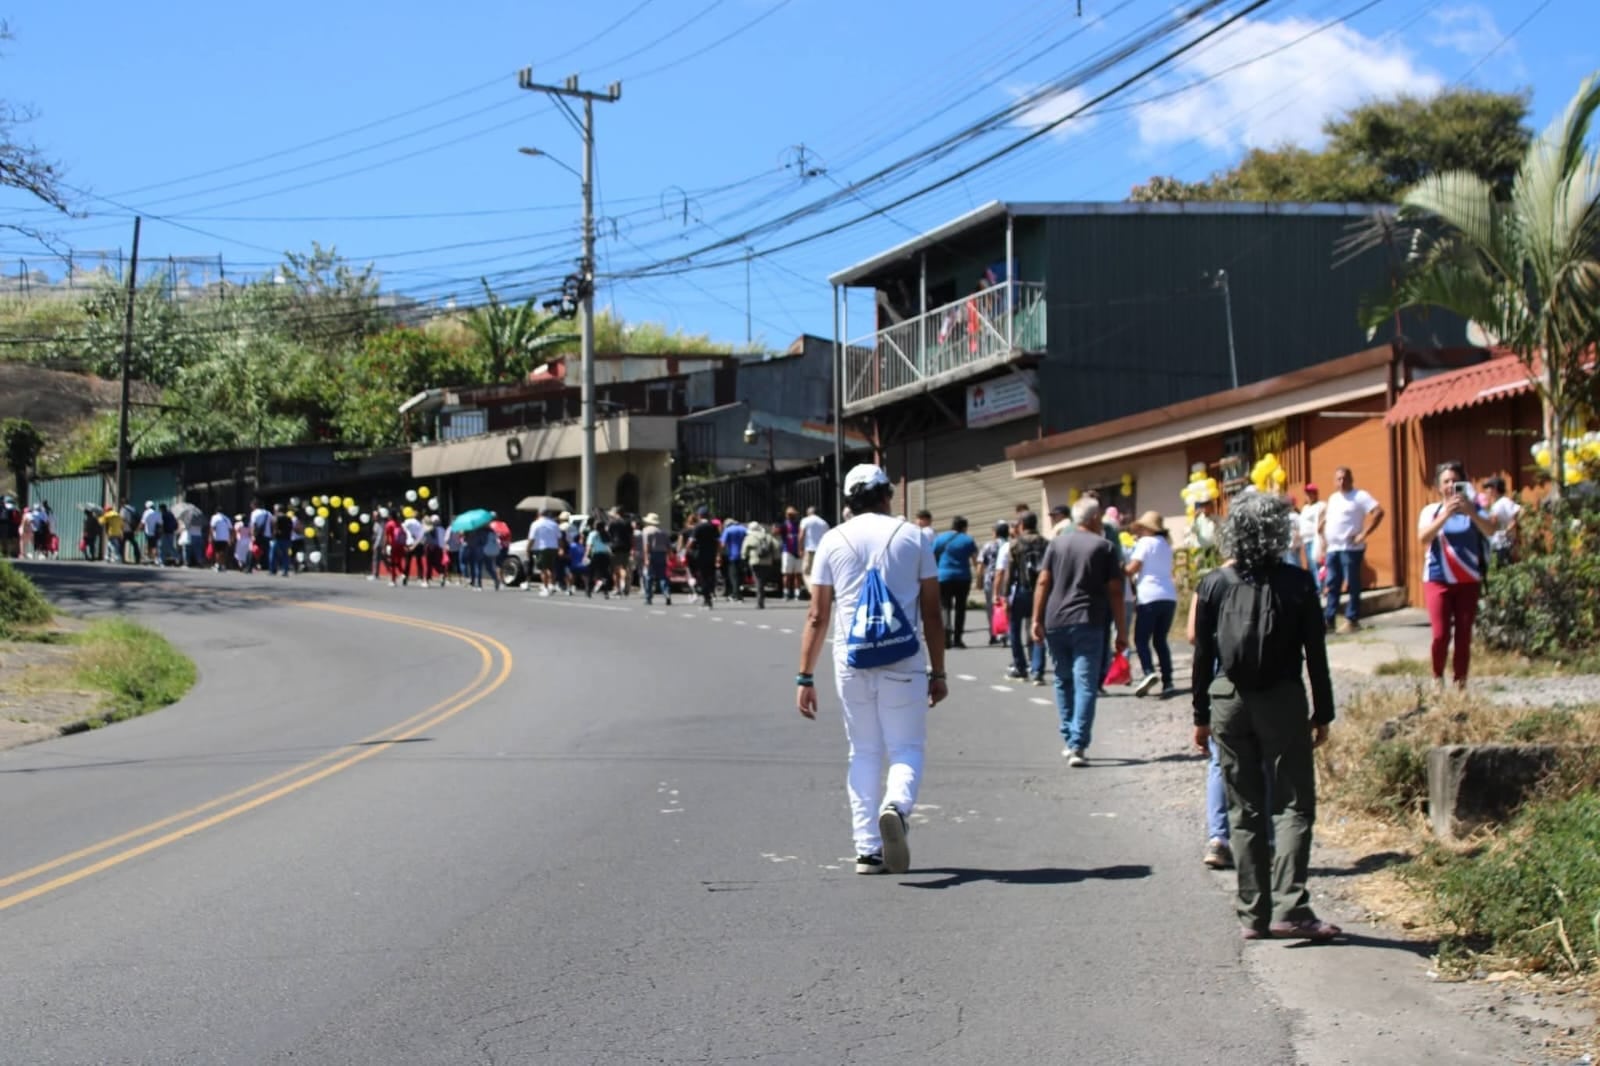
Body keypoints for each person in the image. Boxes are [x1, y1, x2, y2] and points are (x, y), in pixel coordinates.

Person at [1191, 492, 1340, 941]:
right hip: (1283, 700)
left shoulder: (1214, 583)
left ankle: (1252, 914)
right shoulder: (1296, 583)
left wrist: (1200, 715)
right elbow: (1316, 652)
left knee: (1244, 807)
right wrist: (1323, 712)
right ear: (1278, 530)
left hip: (1228, 701)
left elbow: (1202, 657)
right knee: (1292, 803)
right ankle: (1291, 907)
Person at [796, 463, 946, 875]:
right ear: (886, 495)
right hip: (904, 659)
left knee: (862, 751)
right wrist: (940, 672)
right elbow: (932, 614)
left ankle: (867, 849)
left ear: (848, 502)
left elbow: (816, 615)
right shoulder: (914, 537)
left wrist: (804, 676)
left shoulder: (832, 540)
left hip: (852, 661)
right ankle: (895, 806)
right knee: (906, 749)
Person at [1033, 497, 1127, 767]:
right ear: (1096, 518)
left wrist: (1036, 619)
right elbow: (1115, 591)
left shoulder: (1057, 543)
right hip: (1088, 620)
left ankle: (1069, 738)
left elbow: (1043, 581)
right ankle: (1077, 744)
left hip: (1055, 620)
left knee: (1063, 680)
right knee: (1085, 683)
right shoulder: (1105, 547)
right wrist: (1122, 630)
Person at [1419, 461, 1496, 688]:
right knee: (1441, 635)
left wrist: (1471, 511)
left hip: (1467, 580)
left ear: (1463, 483)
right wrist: (1445, 515)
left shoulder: (1475, 509)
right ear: (1438, 486)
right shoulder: (1430, 511)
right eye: (1446, 481)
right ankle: (1436, 677)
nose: (1451, 485)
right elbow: (1423, 538)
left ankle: (1460, 682)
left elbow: (1490, 530)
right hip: (1438, 578)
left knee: (1464, 636)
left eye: (1455, 480)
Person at [1317, 466, 1384, 634]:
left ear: (1351, 479)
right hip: (1333, 548)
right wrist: (1322, 527)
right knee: (1332, 584)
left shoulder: (1360, 496)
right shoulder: (1333, 498)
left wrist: (1363, 534)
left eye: (1344, 478)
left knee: (1352, 583)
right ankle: (1329, 619)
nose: (1341, 482)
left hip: (1350, 548)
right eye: (1338, 479)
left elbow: (1378, 512)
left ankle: (1352, 619)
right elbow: (1331, 516)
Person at [1126, 510, 1178, 699]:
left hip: (1149, 596)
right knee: (1160, 640)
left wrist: (1119, 571)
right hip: (1169, 596)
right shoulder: (1166, 544)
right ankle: (1168, 681)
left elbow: (1133, 568)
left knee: (1141, 639)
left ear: (1147, 528)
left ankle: (1149, 672)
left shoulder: (1144, 543)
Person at [995, 511, 1048, 685]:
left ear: (1022, 525)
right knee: (1038, 628)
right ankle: (1038, 670)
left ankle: (1020, 667)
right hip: (1041, 591)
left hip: (1022, 591)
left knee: (1014, 629)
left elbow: (1010, 573)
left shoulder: (1015, 545)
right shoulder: (1046, 543)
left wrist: (1004, 596)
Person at [932, 516, 978, 649]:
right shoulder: (968, 540)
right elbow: (975, 559)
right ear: (964, 527)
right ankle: (958, 639)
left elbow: (932, 555)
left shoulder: (940, 538)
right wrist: (979, 576)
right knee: (960, 608)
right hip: (963, 577)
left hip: (943, 576)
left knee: (945, 606)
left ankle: (946, 636)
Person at [977, 520, 1009, 646]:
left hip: (990, 579)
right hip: (1007, 579)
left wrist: (979, 580)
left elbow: (980, 564)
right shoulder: (1010, 545)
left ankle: (994, 633)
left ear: (995, 532)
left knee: (991, 608)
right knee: (1005, 606)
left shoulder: (988, 545)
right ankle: (1005, 633)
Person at [1481, 476, 1520, 568]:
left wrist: (1507, 531)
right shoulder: (1500, 503)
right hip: (1500, 544)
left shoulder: (1501, 503)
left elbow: (1518, 512)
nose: (1486, 491)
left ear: (1494, 489)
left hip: (1503, 544)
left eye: (1488, 488)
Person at [687, 507, 720, 608]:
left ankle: (707, 598)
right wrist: (718, 555)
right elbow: (718, 542)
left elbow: (691, 541)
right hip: (711, 554)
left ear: (699, 515)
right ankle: (710, 594)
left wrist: (687, 550)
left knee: (703, 577)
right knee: (710, 576)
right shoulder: (713, 527)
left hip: (700, 555)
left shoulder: (698, 527)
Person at [744, 520, 781, 609]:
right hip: (767, 562)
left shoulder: (750, 537)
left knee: (758, 581)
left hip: (755, 561)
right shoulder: (767, 536)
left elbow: (744, 549)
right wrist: (776, 558)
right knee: (762, 581)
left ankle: (760, 601)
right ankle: (761, 600)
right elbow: (776, 546)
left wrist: (744, 558)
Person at [640, 512, 673, 606]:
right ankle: (666, 593)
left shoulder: (646, 531)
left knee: (649, 576)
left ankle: (648, 597)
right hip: (662, 554)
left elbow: (646, 545)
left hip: (652, 554)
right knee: (663, 576)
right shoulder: (663, 532)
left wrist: (646, 558)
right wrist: (670, 555)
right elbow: (668, 546)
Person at [529, 509, 562, 596]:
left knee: (543, 569)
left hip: (541, 548)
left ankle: (545, 587)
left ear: (539, 514)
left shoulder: (536, 523)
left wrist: (528, 548)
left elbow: (531, 538)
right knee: (551, 568)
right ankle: (552, 585)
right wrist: (561, 548)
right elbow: (559, 538)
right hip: (553, 548)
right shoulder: (554, 524)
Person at [1298, 484, 1324, 582]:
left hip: (1315, 539)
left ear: (1315, 494)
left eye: (1311, 493)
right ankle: (1316, 586)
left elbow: (1325, 518)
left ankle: (1320, 587)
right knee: (1311, 565)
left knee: (1316, 563)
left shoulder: (1320, 505)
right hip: (1306, 540)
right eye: (1307, 493)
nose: (1308, 496)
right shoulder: (1305, 508)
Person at [778, 508, 805, 600]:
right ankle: (786, 593)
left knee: (798, 574)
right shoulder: (784, 525)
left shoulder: (799, 524)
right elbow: (777, 532)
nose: (791, 516)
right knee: (787, 574)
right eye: (789, 514)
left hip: (798, 551)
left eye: (793, 514)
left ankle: (797, 593)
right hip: (787, 551)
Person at [720, 515, 748, 601]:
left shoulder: (728, 530)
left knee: (733, 576)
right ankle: (739, 592)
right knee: (740, 575)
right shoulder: (743, 529)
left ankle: (735, 594)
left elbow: (722, 544)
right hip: (743, 555)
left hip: (732, 555)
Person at [607, 507, 634, 596]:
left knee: (616, 569)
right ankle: (626, 587)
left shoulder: (612, 523)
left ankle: (618, 588)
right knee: (624, 566)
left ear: (617, 513)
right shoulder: (627, 523)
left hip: (615, 546)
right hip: (626, 547)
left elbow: (609, 535)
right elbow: (631, 535)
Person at [799, 506, 830, 583]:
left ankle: (812, 591)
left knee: (806, 572)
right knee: (818, 573)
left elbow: (801, 535)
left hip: (809, 550)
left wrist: (800, 548)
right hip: (820, 551)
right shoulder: (824, 523)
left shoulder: (805, 520)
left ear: (808, 513)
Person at [585, 521, 612, 599]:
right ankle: (606, 592)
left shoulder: (593, 534)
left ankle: (589, 591)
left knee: (591, 573)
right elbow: (609, 546)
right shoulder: (607, 534)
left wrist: (586, 555)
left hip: (596, 555)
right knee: (605, 573)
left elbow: (589, 546)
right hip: (605, 555)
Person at [268, 505, 294, 576]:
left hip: (277, 539)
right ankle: (285, 570)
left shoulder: (275, 517)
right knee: (285, 555)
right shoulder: (289, 518)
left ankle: (273, 570)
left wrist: (273, 536)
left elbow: (274, 528)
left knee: (273, 555)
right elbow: (291, 528)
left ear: (277, 510)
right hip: (287, 539)